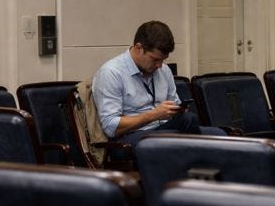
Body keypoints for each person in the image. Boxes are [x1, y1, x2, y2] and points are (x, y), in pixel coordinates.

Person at [92, 20, 224, 145]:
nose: (160, 65)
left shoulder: (164, 70)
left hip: (163, 128)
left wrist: (177, 109)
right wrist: (154, 115)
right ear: (138, 48)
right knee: (179, 138)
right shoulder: (111, 73)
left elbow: (175, 103)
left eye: (163, 60)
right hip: (130, 135)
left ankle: (194, 154)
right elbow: (111, 127)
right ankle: (195, 155)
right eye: (155, 59)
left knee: (217, 134)